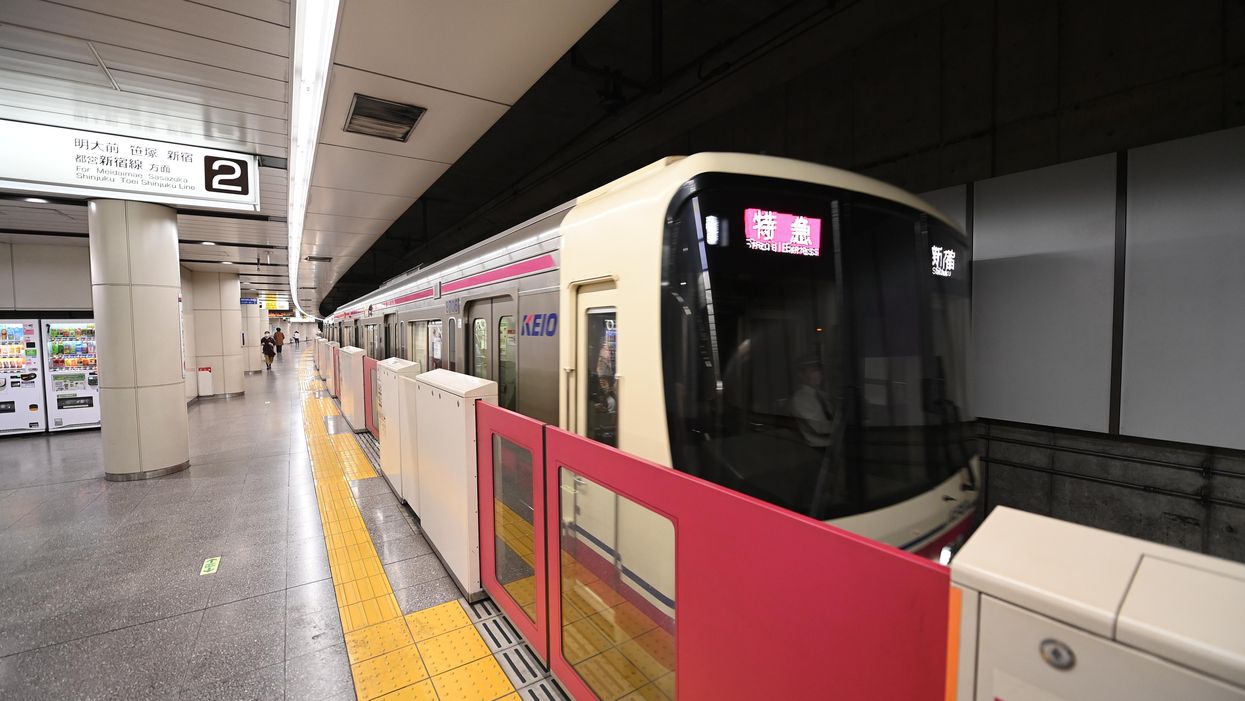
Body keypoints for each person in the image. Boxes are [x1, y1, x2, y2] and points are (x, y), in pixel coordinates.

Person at [791, 356, 836, 448]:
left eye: (819, 370)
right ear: (801, 375)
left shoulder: (823, 395)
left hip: (834, 445)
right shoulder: (800, 399)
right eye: (813, 370)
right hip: (819, 449)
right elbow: (817, 429)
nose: (818, 374)